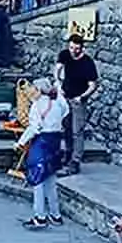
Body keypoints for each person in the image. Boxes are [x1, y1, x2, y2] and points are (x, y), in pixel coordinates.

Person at [16, 78, 67, 231]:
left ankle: (40, 216)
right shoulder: (57, 104)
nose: (30, 91)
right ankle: (55, 214)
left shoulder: (37, 107)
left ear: (38, 90)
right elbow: (66, 111)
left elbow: (34, 127)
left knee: (38, 179)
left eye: (33, 88)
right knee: (51, 178)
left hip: (42, 142)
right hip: (56, 143)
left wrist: (20, 142)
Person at [55, 34, 99, 174]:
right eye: (71, 47)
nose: (73, 51)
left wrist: (82, 97)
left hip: (78, 99)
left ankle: (76, 160)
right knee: (66, 128)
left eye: (76, 48)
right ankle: (67, 153)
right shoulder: (65, 55)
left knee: (77, 131)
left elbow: (93, 85)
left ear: (82, 48)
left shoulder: (87, 63)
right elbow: (57, 69)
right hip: (65, 97)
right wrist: (58, 83)